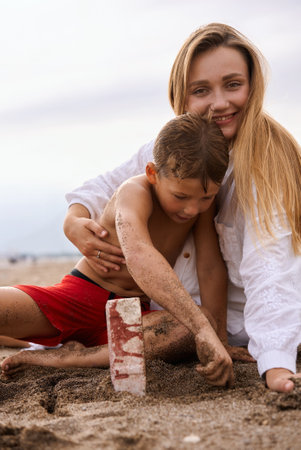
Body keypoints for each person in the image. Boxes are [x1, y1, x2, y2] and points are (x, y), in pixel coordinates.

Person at [60, 23, 300, 393]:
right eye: (201, 90)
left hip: (244, 328)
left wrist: (277, 364)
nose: (219, 103)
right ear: (181, 97)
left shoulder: (268, 160)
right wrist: (75, 219)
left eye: (233, 85)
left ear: (253, 87)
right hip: (177, 315)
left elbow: (271, 270)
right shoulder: (175, 149)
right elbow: (107, 184)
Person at [1, 113, 243, 387]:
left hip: (132, 315)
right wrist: (203, 330)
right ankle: (42, 341)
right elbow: (138, 253)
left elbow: (210, 268)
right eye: (180, 196)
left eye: (206, 197)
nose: (192, 208)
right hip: (80, 295)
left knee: (193, 323)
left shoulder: (201, 207)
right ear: (153, 173)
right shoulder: (134, 191)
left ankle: (67, 357)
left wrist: (218, 339)